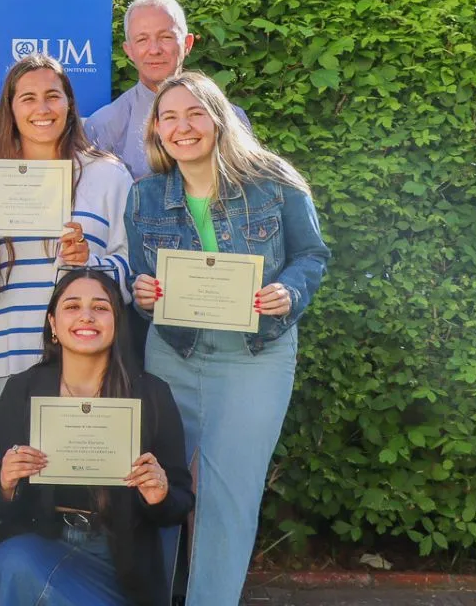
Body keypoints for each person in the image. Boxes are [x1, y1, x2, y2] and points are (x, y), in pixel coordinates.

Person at [126, 71, 329, 606]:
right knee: (157, 484)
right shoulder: (144, 196)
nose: (183, 127)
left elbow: (312, 254)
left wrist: (290, 290)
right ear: (156, 129)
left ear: (219, 119)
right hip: (175, 353)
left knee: (228, 498)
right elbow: (142, 279)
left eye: (195, 114)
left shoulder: (275, 182)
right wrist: (142, 292)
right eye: (169, 117)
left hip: (255, 357)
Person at [0, 269, 193, 606]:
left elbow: (179, 505)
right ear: (52, 323)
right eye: (72, 306)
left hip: (120, 561)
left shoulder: (152, 394)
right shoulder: (22, 390)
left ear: (117, 322)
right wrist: (6, 482)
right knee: (15, 564)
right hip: (38, 542)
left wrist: (160, 494)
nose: (86, 316)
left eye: (100, 307)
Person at [0, 53, 132, 433]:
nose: (42, 108)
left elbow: (133, 275)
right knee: (11, 472)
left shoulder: (109, 175)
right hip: (7, 361)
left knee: (85, 472)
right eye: (28, 98)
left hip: (89, 365)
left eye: (53, 96)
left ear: (69, 104)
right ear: (11, 109)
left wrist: (89, 263)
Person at [82, 0, 249, 181]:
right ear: (129, 50)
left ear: (187, 44)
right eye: (142, 40)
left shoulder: (231, 118)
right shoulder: (103, 126)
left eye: (166, 37)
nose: (154, 50)